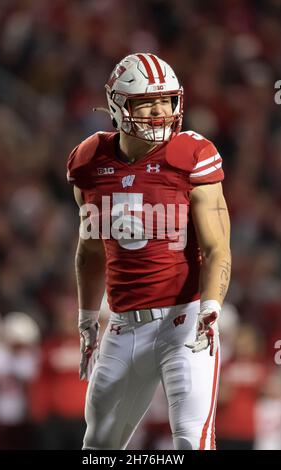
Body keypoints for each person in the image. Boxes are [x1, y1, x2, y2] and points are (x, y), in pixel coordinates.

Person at [67, 53, 231, 450]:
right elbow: (90, 249)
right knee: (98, 447)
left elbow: (216, 246)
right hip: (123, 326)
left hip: (184, 321)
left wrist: (212, 305)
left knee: (192, 441)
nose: (160, 111)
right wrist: (88, 317)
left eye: (165, 100)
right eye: (146, 102)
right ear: (117, 105)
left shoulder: (191, 154)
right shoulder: (90, 160)